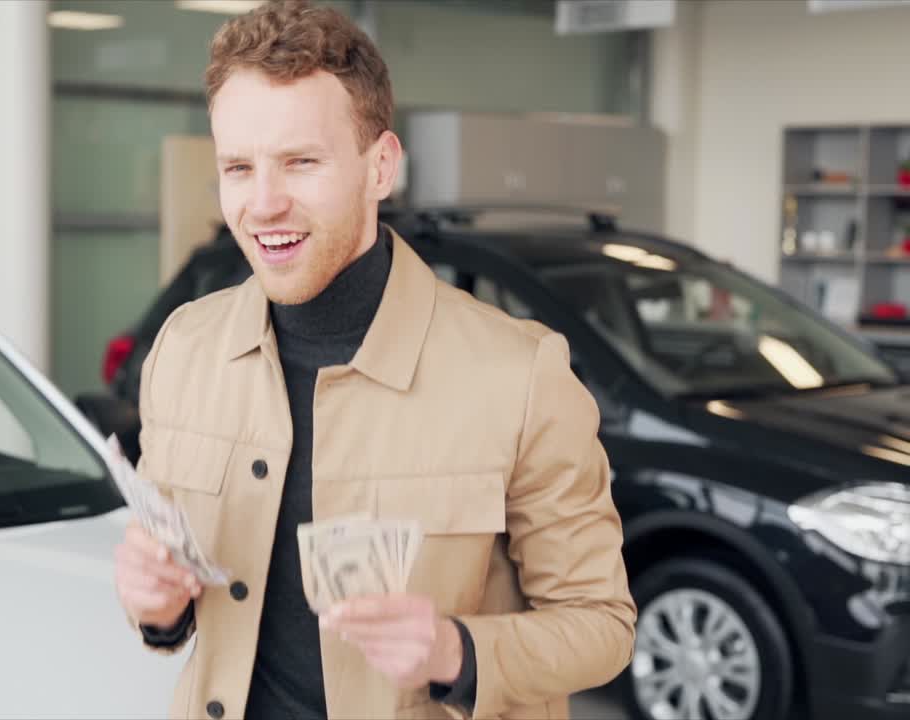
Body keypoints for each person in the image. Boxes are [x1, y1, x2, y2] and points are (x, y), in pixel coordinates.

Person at [112, 1, 637, 718]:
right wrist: (157, 608)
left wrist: (455, 651)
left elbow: (603, 627)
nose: (263, 203)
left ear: (380, 166)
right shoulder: (184, 349)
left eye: (301, 162)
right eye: (238, 166)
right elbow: (181, 601)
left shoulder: (521, 375)